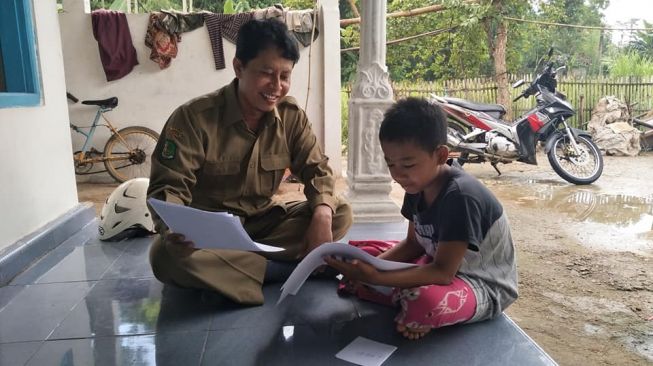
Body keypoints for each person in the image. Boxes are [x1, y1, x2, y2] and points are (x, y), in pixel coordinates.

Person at [147, 18, 353, 306]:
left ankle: (232, 271)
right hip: (209, 233)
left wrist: (321, 215)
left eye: (285, 76)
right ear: (239, 67)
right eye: (267, 73)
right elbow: (168, 187)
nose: (277, 87)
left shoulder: (291, 116)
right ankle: (280, 270)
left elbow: (317, 169)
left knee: (338, 211)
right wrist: (175, 232)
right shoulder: (194, 118)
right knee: (164, 257)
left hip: (263, 222)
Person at [325, 97, 518, 339]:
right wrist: (371, 268)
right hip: (434, 262)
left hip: (480, 283)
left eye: (408, 164)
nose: (398, 174)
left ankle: (413, 306)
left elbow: (443, 273)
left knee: (420, 301)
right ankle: (403, 301)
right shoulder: (416, 186)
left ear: (440, 155)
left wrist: (374, 277)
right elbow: (413, 244)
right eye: (390, 164)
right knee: (366, 256)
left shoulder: (460, 197)